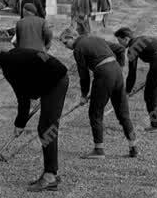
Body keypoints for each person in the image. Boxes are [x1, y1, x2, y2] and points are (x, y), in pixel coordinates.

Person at [0, 42, 69, 191]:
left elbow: (22, 97)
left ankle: (50, 176)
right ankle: (50, 172)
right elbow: (33, 75)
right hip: (53, 81)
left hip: (56, 81)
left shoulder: (10, 65)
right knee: (45, 128)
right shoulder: (13, 56)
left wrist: (20, 123)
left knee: (47, 129)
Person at [58, 27, 137, 158]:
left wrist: (83, 95)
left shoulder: (78, 49)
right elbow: (120, 49)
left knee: (95, 112)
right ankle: (133, 147)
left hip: (103, 74)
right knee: (123, 113)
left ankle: (99, 150)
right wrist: (120, 67)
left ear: (72, 38)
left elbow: (84, 76)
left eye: (65, 43)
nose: (66, 47)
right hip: (116, 73)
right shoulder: (96, 38)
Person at [115, 27, 157, 133]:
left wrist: (127, 91)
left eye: (119, 41)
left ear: (125, 39)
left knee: (150, 94)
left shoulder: (131, 48)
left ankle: (156, 125)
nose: (119, 44)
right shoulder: (143, 38)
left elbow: (132, 73)